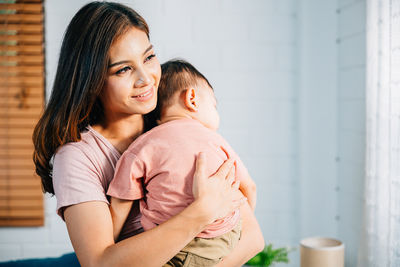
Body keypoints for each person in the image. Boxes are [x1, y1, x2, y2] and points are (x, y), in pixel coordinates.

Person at [32, 2, 264, 267]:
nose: (147, 79)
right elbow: (99, 263)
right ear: (91, 81)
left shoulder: (174, 121)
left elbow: (253, 238)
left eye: (149, 57)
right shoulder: (78, 158)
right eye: (123, 69)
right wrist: (200, 213)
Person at [107, 59, 261, 266]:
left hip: (167, 247)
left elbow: (119, 208)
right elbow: (249, 186)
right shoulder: (215, 140)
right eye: (214, 105)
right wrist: (236, 222)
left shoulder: (140, 147)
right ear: (192, 99)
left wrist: (112, 244)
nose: (217, 114)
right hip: (221, 242)